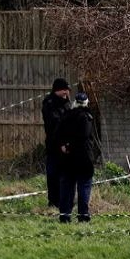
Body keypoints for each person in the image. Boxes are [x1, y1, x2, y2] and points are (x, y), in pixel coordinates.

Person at [58, 92, 95, 223]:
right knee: (84, 187)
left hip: (67, 158)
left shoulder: (66, 115)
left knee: (67, 188)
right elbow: (83, 137)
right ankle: (83, 216)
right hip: (83, 158)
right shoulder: (86, 117)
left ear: (75, 102)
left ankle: (64, 215)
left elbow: (59, 133)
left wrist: (65, 146)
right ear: (86, 102)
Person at [41, 77, 71, 208]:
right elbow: (53, 124)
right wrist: (61, 144)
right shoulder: (49, 103)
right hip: (54, 145)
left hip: (67, 145)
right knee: (53, 174)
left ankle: (65, 200)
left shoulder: (66, 102)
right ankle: (53, 201)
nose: (66, 93)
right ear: (58, 90)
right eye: (64, 90)